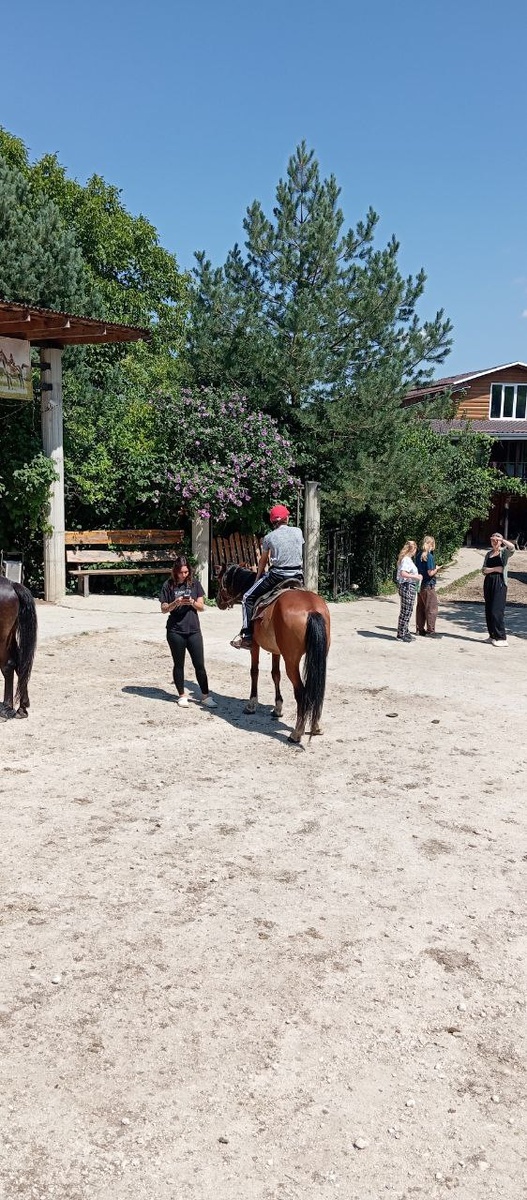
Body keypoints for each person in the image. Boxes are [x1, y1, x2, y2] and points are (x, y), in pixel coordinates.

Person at [231, 504, 304, 649]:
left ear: (273, 522)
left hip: (278, 576)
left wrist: (258, 577)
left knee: (247, 598)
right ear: (286, 518)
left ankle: (247, 635)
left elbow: (263, 560)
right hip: (298, 575)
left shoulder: (269, 537)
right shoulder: (298, 531)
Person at [160, 555, 217, 706]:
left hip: (193, 629)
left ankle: (205, 696)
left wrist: (191, 602)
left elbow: (202, 607)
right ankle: (182, 695)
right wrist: (175, 603)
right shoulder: (168, 585)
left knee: (200, 664)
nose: (184, 575)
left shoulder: (194, 584)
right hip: (175, 630)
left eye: (186, 572)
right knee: (178, 664)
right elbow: (163, 609)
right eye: (181, 572)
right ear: (175, 571)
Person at [481, 532, 515, 646]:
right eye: (493, 540)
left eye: (496, 540)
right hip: (488, 582)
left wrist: (502, 540)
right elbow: (483, 570)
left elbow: (512, 548)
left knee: (497, 610)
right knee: (489, 610)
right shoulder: (488, 554)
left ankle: (501, 638)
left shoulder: (504, 553)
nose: (494, 542)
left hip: (499, 583)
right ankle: (492, 635)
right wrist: (495, 568)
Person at [416, 535, 441, 636]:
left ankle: (419, 629)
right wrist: (437, 569)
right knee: (431, 607)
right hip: (428, 585)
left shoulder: (418, 555)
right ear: (431, 544)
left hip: (420, 584)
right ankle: (431, 630)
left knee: (420, 607)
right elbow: (430, 573)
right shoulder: (429, 556)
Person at [396, 540, 419, 642]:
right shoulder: (406, 559)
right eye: (415, 549)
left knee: (408, 610)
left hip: (410, 586)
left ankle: (405, 630)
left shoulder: (408, 559)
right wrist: (415, 576)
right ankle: (401, 633)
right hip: (407, 586)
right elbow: (403, 573)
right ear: (412, 549)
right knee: (406, 610)